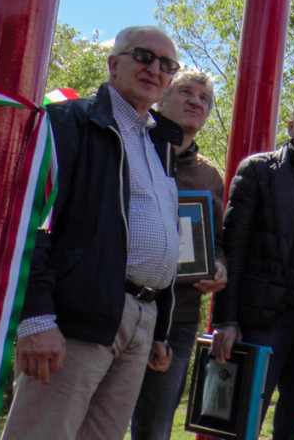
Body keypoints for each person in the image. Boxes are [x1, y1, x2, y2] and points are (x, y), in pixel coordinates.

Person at [3, 26, 183, 440]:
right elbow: (30, 222)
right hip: (76, 317)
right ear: (113, 63)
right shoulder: (69, 122)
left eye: (167, 64)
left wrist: (157, 328)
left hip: (141, 319)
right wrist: (35, 317)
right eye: (143, 56)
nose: (154, 69)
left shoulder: (161, 146)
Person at [211, 93, 294, 440]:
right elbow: (233, 250)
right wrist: (225, 319)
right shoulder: (257, 170)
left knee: (291, 427)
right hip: (261, 319)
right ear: (291, 126)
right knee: (240, 422)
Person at [131, 68, 228, 440]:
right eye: (186, 92)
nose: (196, 102)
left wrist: (218, 265)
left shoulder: (210, 177)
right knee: (96, 416)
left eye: (204, 99)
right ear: (161, 99)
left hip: (179, 318)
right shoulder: (131, 151)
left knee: (155, 425)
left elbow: (216, 240)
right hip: (119, 305)